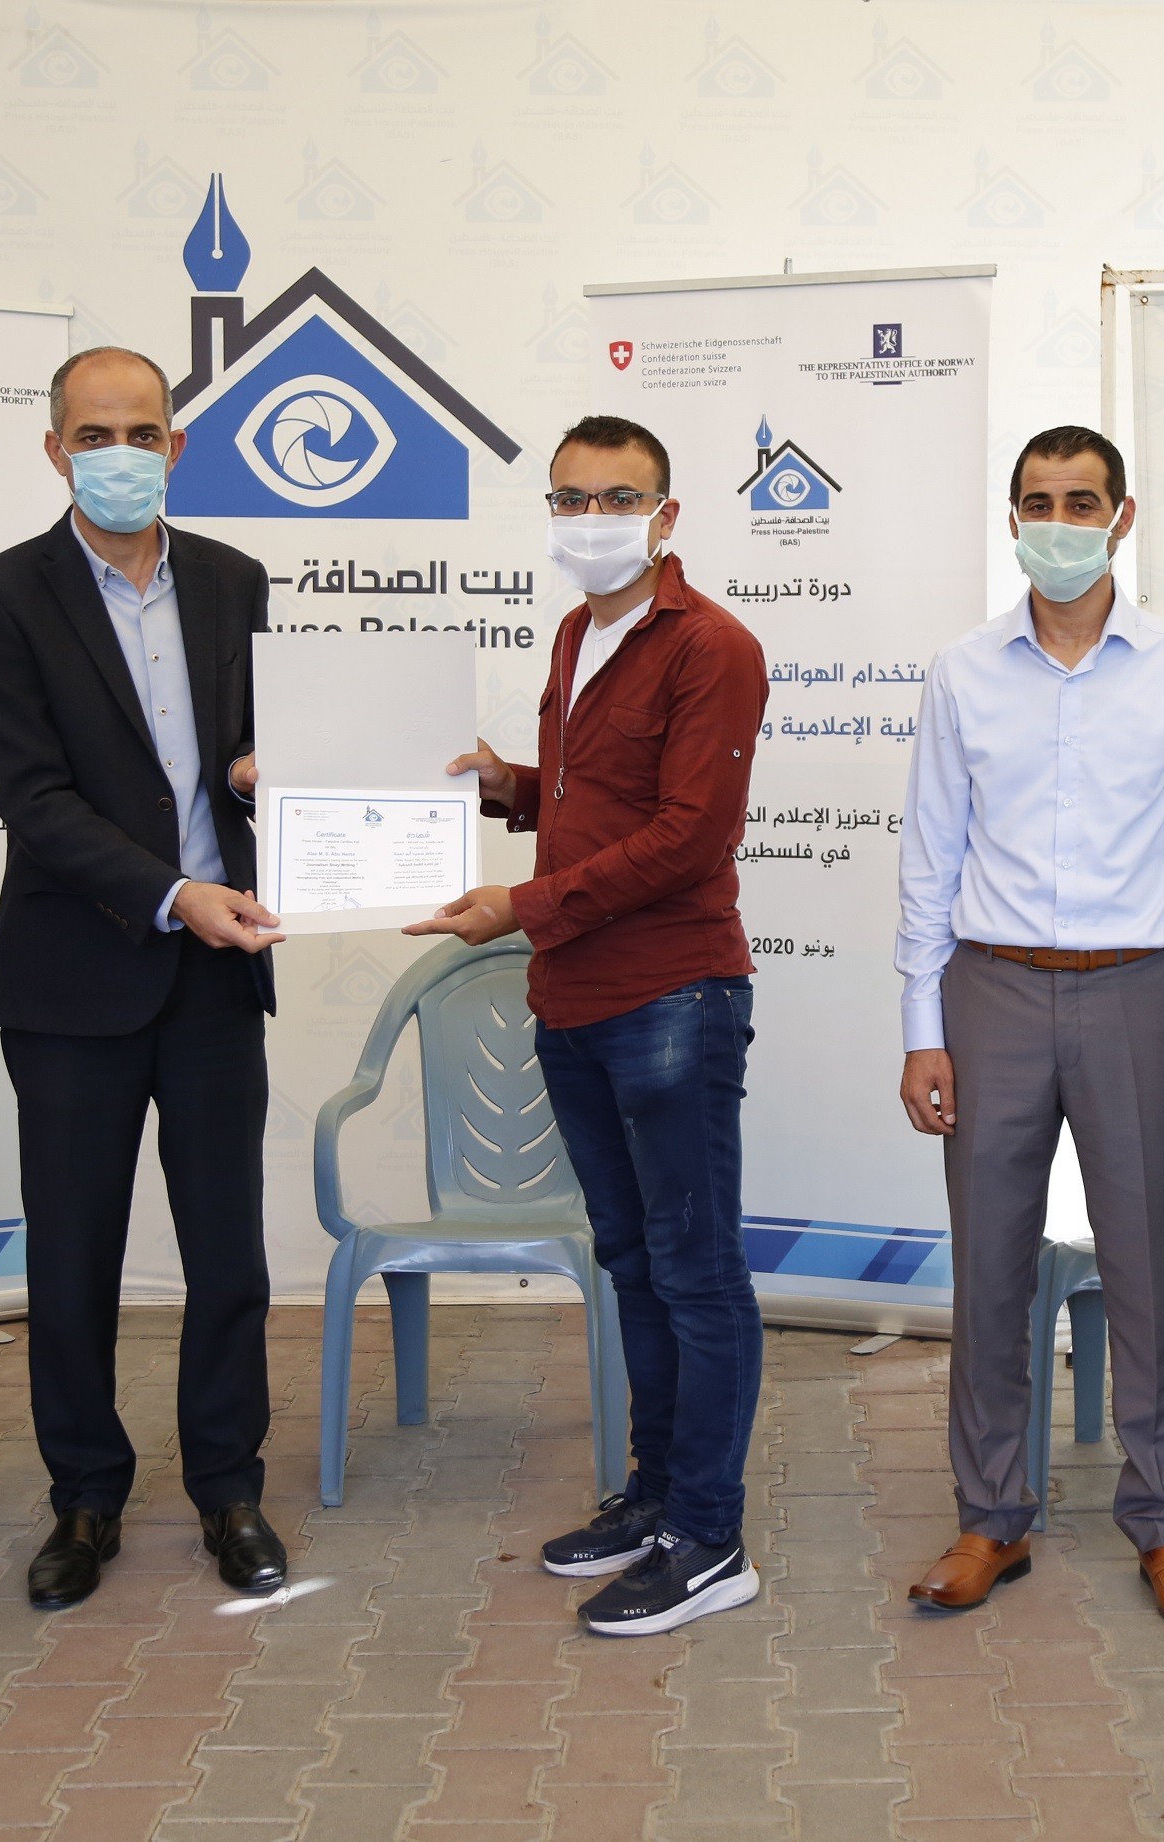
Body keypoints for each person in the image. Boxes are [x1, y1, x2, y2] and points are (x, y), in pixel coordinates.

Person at [411, 414, 768, 1637]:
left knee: (698, 1274)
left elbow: (689, 838)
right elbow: (594, 800)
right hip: (571, 997)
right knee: (632, 1263)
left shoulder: (713, 646)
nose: (593, 518)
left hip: (672, 997)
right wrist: (506, 787)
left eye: (620, 498)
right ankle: (657, 1500)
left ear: (666, 516)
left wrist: (519, 907)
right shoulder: (577, 631)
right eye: (571, 498)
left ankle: (711, 1540)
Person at [892, 426, 1164, 1630]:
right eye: (1038, 503)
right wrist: (922, 1025)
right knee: (990, 1267)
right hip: (988, 994)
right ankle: (992, 1517)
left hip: (1137, 992)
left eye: (1081, 502)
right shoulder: (962, 673)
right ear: (1013, 521)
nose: (1059, 523)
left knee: (1147, 1267)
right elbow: (930, 860)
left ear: (1121, 518)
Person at [0, 346, 287, 1611]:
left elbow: (252, 753)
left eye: (143, 433)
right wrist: (172, 892)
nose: (120, 455)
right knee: (74, 1259)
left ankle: (230, 1488)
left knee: (230, 1258)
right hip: (72, 982)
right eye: (94, 435)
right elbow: (34, 800)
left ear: (176, 448)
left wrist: (260, 777)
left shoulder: (235, 581)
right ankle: (85, 1497)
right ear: (54, 450)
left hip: (215, 980)